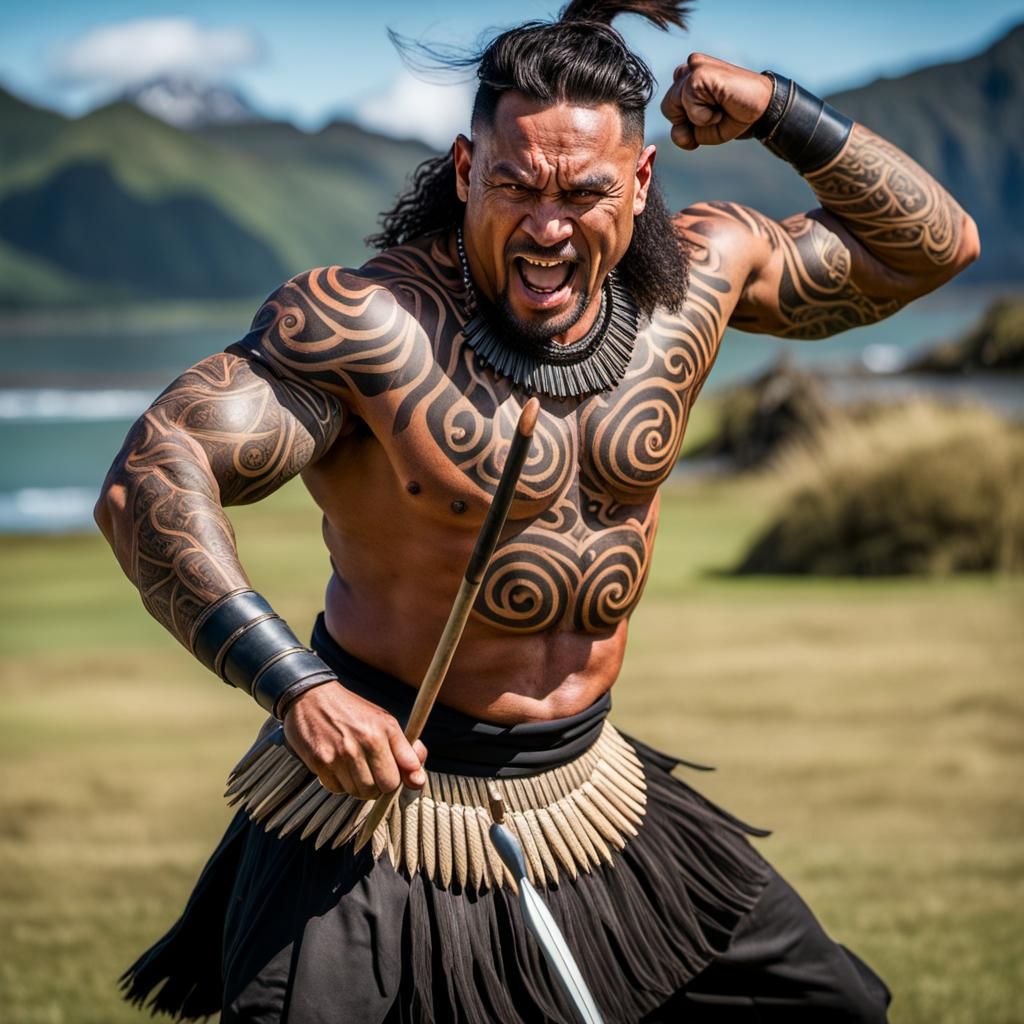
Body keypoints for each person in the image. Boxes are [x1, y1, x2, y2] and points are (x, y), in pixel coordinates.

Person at [95, 2, 979, 1021]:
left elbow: (930, 247)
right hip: (377, 820)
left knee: (830, 1009)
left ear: (640, 182)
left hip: (591, 793)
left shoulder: (695, 284)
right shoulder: (369, 328)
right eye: (514, 184)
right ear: (466, 169)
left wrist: (780, 110)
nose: (547, 225)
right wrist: (295, 687)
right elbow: (153, 474)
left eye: (584, 191)